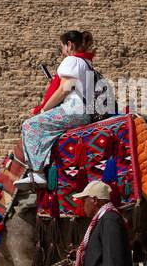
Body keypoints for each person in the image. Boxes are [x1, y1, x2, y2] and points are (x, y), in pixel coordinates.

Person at [19, 29, 97, 186]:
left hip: (73, 110)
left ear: (69, 45)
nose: (62, 52)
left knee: (30, 125)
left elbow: (64, 89)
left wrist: (42, 110)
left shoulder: (72, 61)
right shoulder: (86, 64)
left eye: (62, 47)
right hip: (85, 112)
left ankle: (37, 173)